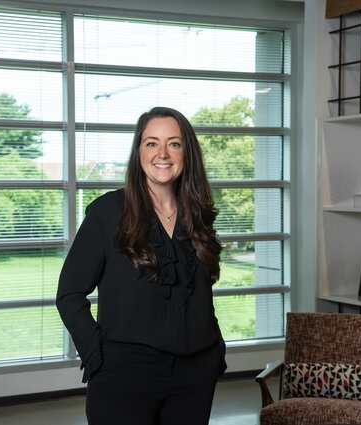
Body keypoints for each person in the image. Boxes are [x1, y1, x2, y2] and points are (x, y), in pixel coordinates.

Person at [56, 106, 227, 425]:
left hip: (194, 378)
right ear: (138, 152)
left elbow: (201, 292)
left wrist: (214, 350)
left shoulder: (198, 215)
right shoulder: (108, 212)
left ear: (187, 153)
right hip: (124, 376)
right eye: (152, 143)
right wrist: (98, 356)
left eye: (174, 143)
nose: (163, 153)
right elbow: (69, 294)